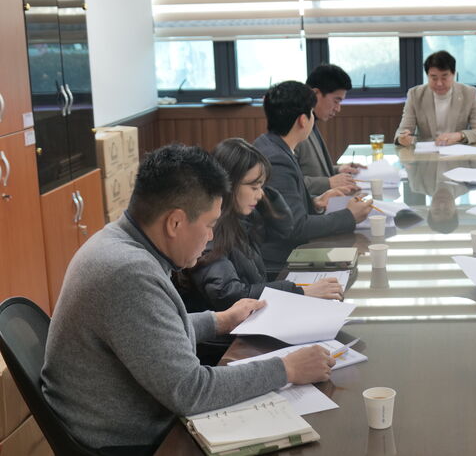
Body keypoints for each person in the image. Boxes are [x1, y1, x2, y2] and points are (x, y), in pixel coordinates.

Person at [41, 144, 335, 452]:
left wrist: (219, 321)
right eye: (209, 225)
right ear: (175, 223)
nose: (211, 236)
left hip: (132, 417)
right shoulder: (129, 272)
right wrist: (286, 369)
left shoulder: (117, 240)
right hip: (131, 442)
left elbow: (152, 333)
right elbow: (190, 391)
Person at [189, 138, 343, 311]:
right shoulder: (210, 230)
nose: (260, 194)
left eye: (262, 186)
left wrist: (264, 195)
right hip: (234, 326)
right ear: (229, 184)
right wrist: (300, 292)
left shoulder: (241, 218)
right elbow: (227, 294)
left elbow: (284, 228)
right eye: (254, 187)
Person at [253, 81, 372, 270]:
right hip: (280, 263)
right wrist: (349, 216)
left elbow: (282, 210)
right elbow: (296, 227)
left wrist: (315, 202)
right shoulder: (277, 160)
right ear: (303, 120)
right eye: (311, 113)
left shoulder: (271, 145)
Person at [394, 50, 476, 146]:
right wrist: (402, 139)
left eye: (444, 77)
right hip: (426, 152)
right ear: (427, 76)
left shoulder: (470, 94)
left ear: (453, 74)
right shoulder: (415, 95)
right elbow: (402, 131)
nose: (439, 83)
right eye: (434, 78)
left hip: (457, 150)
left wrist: (459, 135)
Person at [295, 64, 363, 195]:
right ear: (315, 94)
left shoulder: (312, 122)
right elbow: (287, 182)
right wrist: (329, 182)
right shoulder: (295, 128)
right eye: (336, 101)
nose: (338, 108)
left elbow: (311, 170)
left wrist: (338, 170)